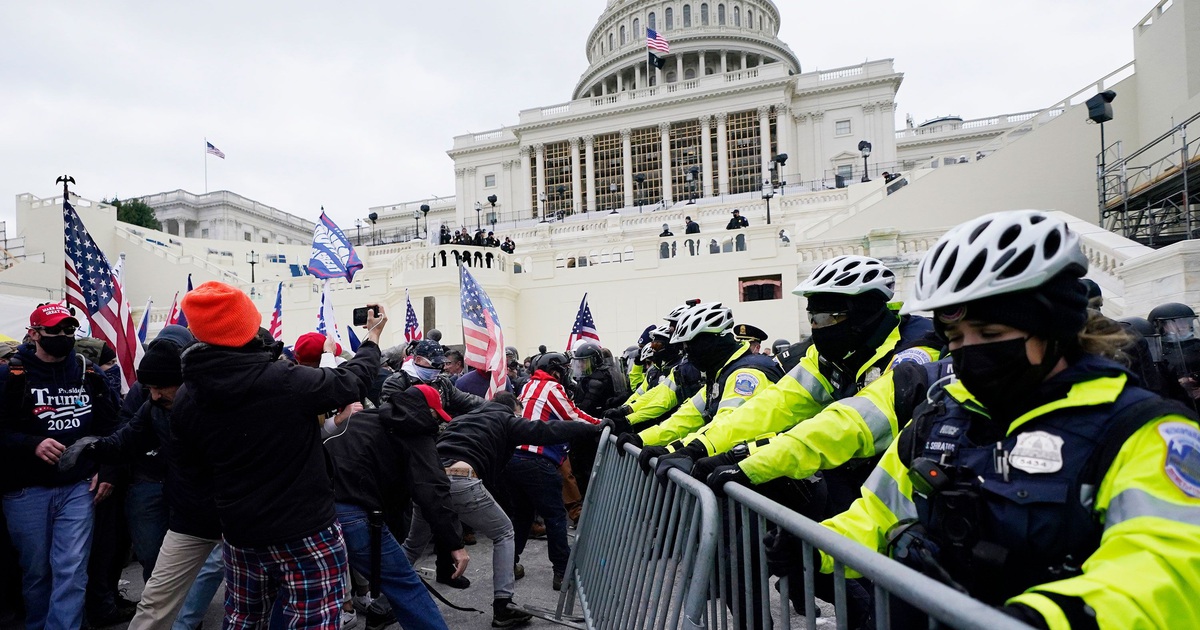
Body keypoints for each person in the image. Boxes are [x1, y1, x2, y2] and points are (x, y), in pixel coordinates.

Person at [813, 210, 1200, 628]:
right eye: (956, 339)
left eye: (992, 335)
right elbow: (877, 514)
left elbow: (1167, 566)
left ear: (1053, 330)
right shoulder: (940, 416)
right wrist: (815, 548)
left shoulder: (1143, 430)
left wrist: (1048, 617)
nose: (970, 351)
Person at [171, 282, 387, 629]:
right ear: (247, 327)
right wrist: (373, 338)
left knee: (244, 619)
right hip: (306, 530)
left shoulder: (185, 396)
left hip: (242, 534)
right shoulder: (281, 379)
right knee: (313, 619)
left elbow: (190, 469)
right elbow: (351, 382)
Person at [58, 326, 224, 630]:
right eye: (149, 387)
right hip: (187, 516)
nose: (155, 394)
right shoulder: (153, 406)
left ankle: (186, 624)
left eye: (162, 386)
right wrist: (91, 447)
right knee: (154, 598)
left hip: (234, 513)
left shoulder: (224, 401)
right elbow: (126, 439)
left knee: (245, 591)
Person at [406, 391, 604, 627]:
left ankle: (380, 606)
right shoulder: (506, 419)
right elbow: (546, 431)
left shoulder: (462, 420)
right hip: (461, 479)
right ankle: (503, 605)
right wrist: (593, 428)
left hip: (428, 483)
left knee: (412, 546)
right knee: (504, 533)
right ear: (513, 409)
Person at [0, 304, 120, 630]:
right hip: (26, 491)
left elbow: (112, 426)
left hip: (78, 486)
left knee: (72, 566)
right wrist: (31, 443)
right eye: (55, 331)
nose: (64, 336)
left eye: (69, 330)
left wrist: (105, 468)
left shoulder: (89, 372)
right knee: (37, 570)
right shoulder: (10, 374)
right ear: (34, 333)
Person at [324, 384, 464, 630]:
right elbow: (432, 488)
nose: (436, 422)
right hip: (356, 515)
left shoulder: (364, 418)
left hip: (317, 511)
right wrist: (455, 544)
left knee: (303, 589)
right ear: (425, 411)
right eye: (435, 415)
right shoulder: (414, 431)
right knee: (405, 584)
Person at [505, 352, 601, 591]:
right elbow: (574, 416)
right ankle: (562, 572)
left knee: (522, 515)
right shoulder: (550, 387)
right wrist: (602, 424)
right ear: (556, 370)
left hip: (512, 458)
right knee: (555, 516)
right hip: (537, 459)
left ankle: (510, 564)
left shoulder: (528, 386)